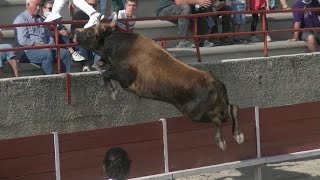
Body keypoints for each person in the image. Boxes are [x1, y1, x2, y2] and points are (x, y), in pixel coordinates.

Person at [13, 0, 72, 75]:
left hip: (46, 48)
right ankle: (50, 81)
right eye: (36, 5)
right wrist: (42, 46)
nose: (38, 8)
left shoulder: (41, 19)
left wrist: (51, 44)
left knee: (65, 53)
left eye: (40, 5)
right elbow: (23, 40)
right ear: (27, 5)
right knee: (46, 54)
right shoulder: (21, 19)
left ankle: (66, 79)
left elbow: (49, 35)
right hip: (27, 51)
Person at [71, 0, 102, 71]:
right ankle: (86, 67)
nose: (92, 7)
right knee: (83, 45)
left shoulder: (98, 15)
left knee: (101, 48)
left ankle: (97, 73)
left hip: (95, 42)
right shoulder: (79, 15)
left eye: (94, 5)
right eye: (89, 4)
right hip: (83, 42)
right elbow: (76, 33)